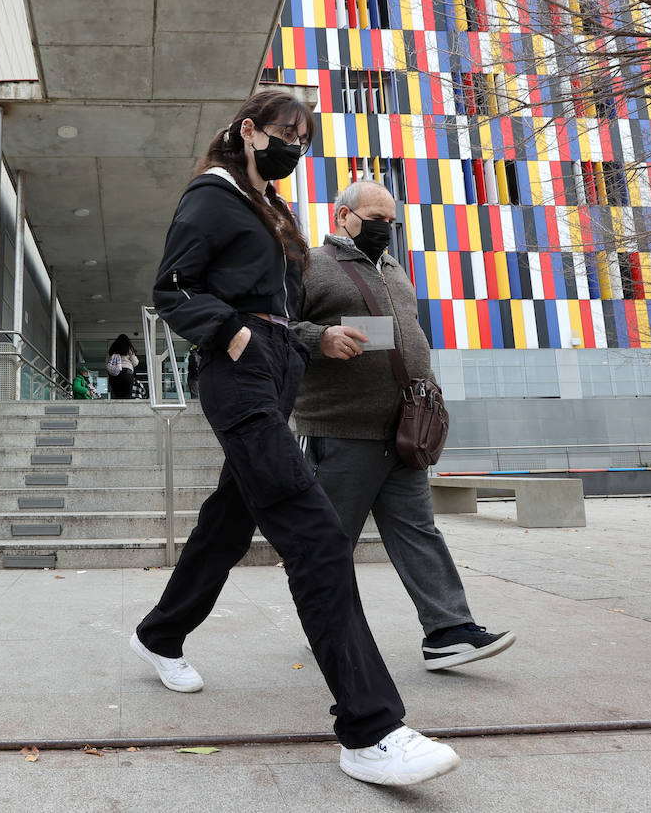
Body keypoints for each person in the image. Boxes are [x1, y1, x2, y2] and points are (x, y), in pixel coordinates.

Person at [128, 90, 459, 787]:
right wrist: (235, 332)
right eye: (285, 133)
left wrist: (290, 347)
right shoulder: (211, 197)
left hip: (276, 376)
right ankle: (370, 730)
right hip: (240, 376)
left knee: (228, 521)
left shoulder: (268, 207)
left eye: (304, 139)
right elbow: (174, 289)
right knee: (314, 536)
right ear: (248, 131)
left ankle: (160, 631)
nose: (294, 148)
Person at [291, 180, 516, 671]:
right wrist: (321, 335)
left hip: (404, 432)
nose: (382, 230)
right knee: (331, 541)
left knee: (419, 531)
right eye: (372, 219)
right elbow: (276, 327)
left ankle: (448, 632)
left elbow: (406, 337)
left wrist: (430, 393)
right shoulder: (310, 265)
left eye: (389, 222)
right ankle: (326, 627)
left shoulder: (393, 269)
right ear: (341, 217)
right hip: (341, 430)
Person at [107, 334, 139, 399]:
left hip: (114, 374)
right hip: (127, 372)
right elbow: (135, 363)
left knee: (116, 396)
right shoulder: (129, 349)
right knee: (127, 395)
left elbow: (107, 362)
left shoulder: (112, 349)